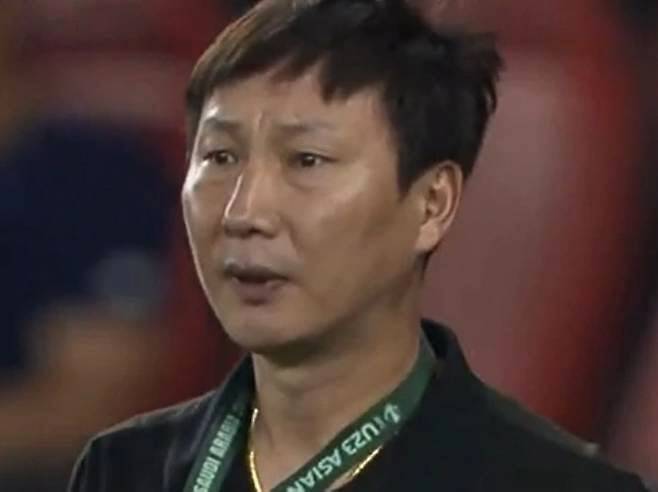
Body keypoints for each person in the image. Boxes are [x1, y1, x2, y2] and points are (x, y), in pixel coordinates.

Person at [67, 0, 651, 490]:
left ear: (432, 204)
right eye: (220, 157)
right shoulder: (123, 470)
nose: (244, 213)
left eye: (307, 161)